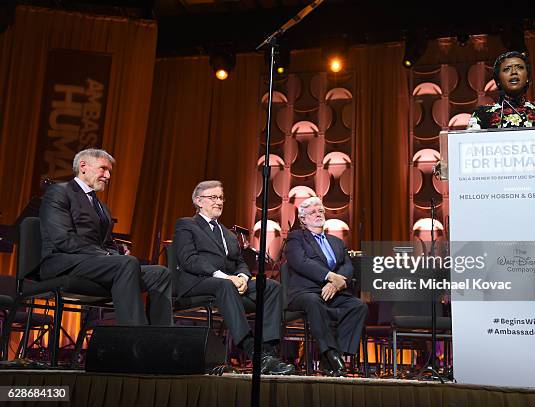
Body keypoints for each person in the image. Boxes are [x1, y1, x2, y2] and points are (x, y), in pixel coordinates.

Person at [173, 180, 295, 375]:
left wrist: (243, 277)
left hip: (228, 284)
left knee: (271, 286)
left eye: (221, 198)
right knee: (225, 286)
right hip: (196, 283)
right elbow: (189, 259)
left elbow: (240, 263)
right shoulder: (186, 224)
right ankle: (251, 350)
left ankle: (268, 352)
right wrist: (224, 277)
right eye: (213, 197)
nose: (219, 202)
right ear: (198, 201)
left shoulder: (228, 234)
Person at [39, 148, 172, 326]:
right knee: (126, 263)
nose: (108, 175)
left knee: (160, 273)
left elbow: (106, 243)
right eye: (103, 169)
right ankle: (135, 338)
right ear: (83, 166)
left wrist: (114, 253)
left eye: (109, 171)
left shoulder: (102, 207)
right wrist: (108, 256)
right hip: (65, 261)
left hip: (96, 264)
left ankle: (163, 338)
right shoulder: (59, 192)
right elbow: (63, 239)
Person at [284, 197, 368, 377]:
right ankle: (329, 354)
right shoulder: (295, 238)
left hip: (333, 292)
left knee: (358, 306)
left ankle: (334, 355)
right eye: (313, 212)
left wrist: (337, 284)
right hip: (304, 292)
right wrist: (330, 277)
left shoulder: (336, 241)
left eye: (320, 211)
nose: (318, 214)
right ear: (303, 219)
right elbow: (301, 262)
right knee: (315, 302)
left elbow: (347, 266)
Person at [467, 51, 535, 129]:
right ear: (498, 80)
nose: (514, 72)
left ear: (527, 78)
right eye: (507, 69)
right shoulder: (482, 114)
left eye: (520, 68)